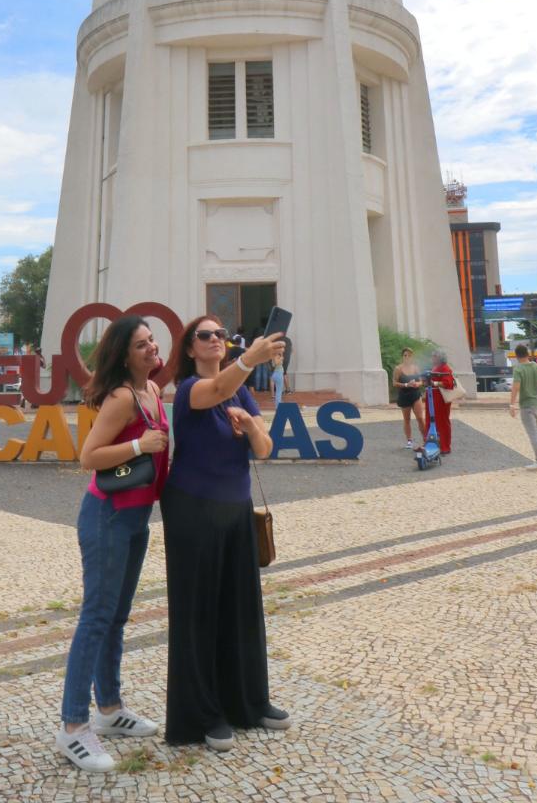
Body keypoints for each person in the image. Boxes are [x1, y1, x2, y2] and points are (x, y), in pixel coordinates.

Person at [161, 316, 292, 751]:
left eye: (220, 334)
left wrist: (251, 425)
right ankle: (202, 715)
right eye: (205, 336)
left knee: (242, 607)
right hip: (193, 510)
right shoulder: (189, 390)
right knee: (198, 612)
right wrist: (250, 357)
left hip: (235, 509)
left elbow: (265, 448)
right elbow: (212, 392)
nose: (215, 340)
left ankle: (248, 703)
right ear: (191, 349)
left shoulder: (239, 390)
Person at [56, 315, 170, 773]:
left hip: (136, 516)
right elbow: (89, 456)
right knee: (97, 617)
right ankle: (71, 728)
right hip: (107, 515)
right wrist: (140, 446)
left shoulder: (153, 391)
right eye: (141, 344)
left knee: (117, 616)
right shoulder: (123, 397)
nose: (151, 348)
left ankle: (109, 709)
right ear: (124, 354)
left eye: (152, 340)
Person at [424, 349, 457, 455]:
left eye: (434, 356)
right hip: (432, 397)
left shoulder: (445, 368)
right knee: (430, 420)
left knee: (442, 422)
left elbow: (449, 383)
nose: (432, 358)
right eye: (432, 355)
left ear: (440, 357)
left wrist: (435, 383)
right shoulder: (435, 367)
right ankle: (430, 444)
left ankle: (445, 447)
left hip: (441, 399)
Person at [392, 348, 426, 448]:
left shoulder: (415, 368)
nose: (407, 357)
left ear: (412, 357)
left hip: (415, 394)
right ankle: (409, 441)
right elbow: (394, 383)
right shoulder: (398, 368)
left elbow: (421, 381)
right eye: (405, 355)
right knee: (407, 419)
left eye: (409, 355)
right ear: (402, 357)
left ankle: (425, 439)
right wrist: (407, 384)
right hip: (404, 395)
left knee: (420, 418)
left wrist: (417, 384)